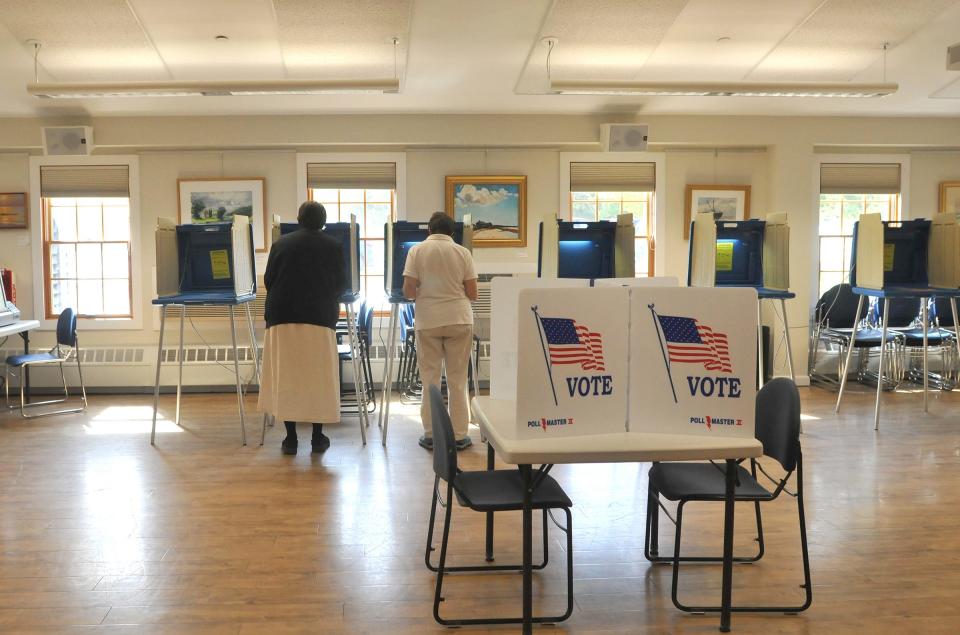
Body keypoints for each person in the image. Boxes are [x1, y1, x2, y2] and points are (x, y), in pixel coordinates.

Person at [259, 201, 347, 455]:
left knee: (287, 377)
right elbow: (341, 283)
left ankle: (290, 439)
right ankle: (318, 438)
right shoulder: (334, 246)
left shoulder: (281, 244)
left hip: (282, 316)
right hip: (319, 317)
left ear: (298, 219)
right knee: (317, 379)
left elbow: (269, 280)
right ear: (323, 221)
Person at [403, 212, 478, 451]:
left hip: (429, 320)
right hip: (459, 319)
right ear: (452, 232)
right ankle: (458, 436)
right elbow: (473, 293)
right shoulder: (463, 252)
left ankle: (431, 434)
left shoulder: (417, 251)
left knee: (430, 380)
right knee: (457, 380)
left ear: (429, 230)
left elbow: (408, 291)